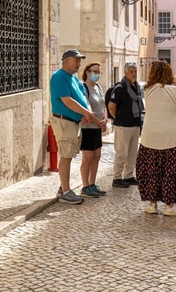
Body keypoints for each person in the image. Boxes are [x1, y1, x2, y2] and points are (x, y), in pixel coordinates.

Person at [136, 61, 176, 216]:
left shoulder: (147, 90)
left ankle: (152, 204)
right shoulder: (174, 91)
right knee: (171, 172)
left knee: (152, 172)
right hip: (171, 138)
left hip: (149, 138)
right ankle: (170, 206)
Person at [50, 49, 104, 205]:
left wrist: (84, 115)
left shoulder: (74, 79)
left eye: (80, 60)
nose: (79, 63)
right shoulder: (59, 77)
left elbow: (83, 100)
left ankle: (64, 187)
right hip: (64, 121)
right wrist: (88, 114)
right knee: (66, 155)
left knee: (69, 155)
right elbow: (68, 101)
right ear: (66, 61)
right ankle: (65, 192)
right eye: (76, 60)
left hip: (74, 122)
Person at [108, 62, 144, 188]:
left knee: (132, 153)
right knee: (121, 153)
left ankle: (128, 176)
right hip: (123, 125)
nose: (134, 74)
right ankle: (117, 178)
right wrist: (118, 118)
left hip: (135, 124)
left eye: (135, 71)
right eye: (131, 71)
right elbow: (111, 106)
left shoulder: (137, 87)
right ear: (125, 72)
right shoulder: (120, 87)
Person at [80, 62, 108, 198]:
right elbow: (87, 109)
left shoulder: (98, 88)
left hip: (97, 127)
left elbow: (103, 106)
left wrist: (105, 119)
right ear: (87, 72)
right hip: (88, 127)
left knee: (97, 156)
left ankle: (92, 183)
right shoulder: (84, 87)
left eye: (98, 72)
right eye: (94, 71)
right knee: (88, 157)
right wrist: (100, 123)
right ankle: (85, 186)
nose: (97, 74)